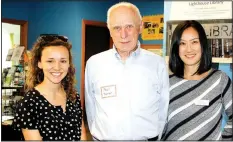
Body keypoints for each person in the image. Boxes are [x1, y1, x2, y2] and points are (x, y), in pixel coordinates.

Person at [85, 2, 170, 140]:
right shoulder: (94, 64)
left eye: (129, 26)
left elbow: (163, 109)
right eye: (117, 27)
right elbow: (91, 108)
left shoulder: (157, 64)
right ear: (109, 29)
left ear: (140, 27)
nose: (123, 34)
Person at [163, 20, 232, 140]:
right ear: (176, 48)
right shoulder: (167, 82)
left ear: (203, 44)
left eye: (194, 42)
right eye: (182, 43)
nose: (189, 49)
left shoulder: (219, 80)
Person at [13, 34, 87, 141]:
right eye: (50, 61)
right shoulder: (29, 103)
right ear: (39, 63)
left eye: (63, 61)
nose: (57, 67)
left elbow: (82, 136)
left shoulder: (73, 96)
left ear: (69, 64)